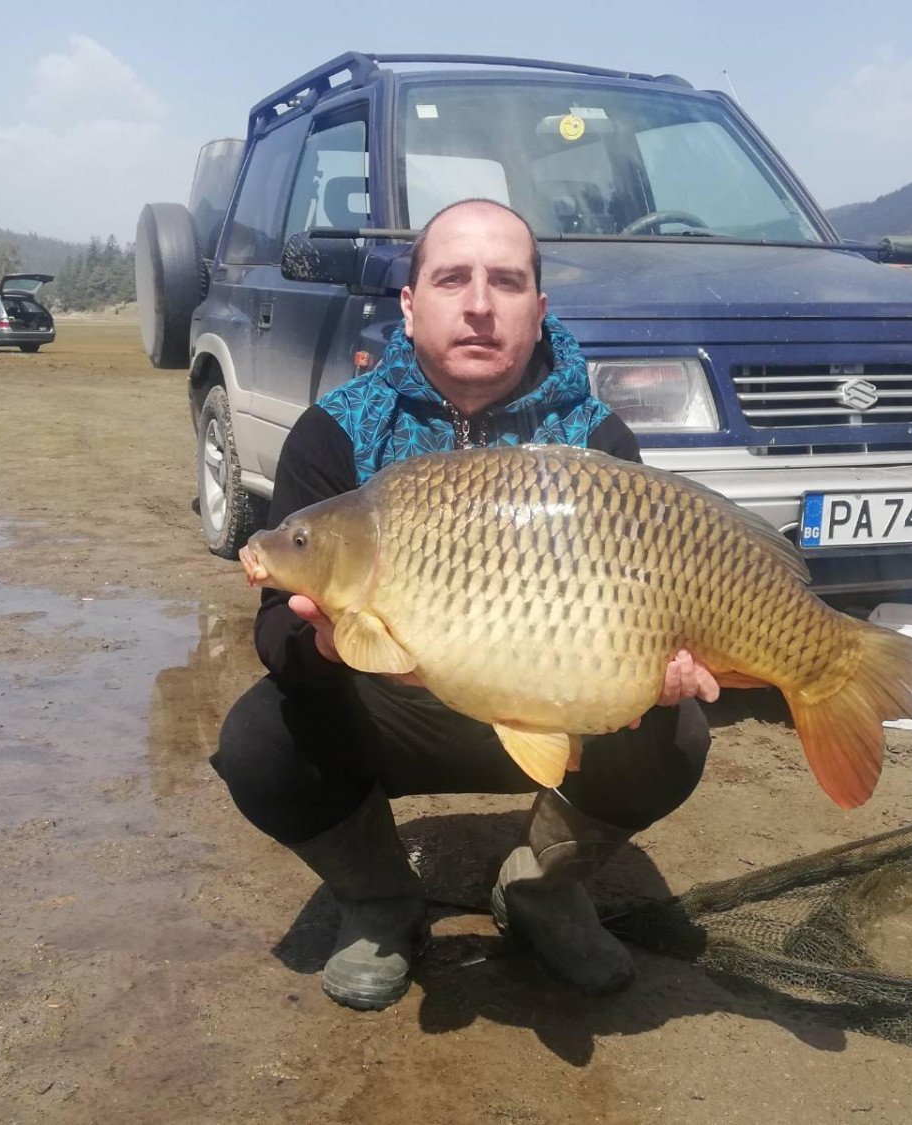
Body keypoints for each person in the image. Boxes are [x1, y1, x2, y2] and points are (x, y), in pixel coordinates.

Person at [211, 199, 719, 1010]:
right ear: (410, 306)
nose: (479, 303)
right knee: (260, 740)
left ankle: (542, 888)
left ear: (539, 308)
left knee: (677, 732)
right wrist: (330, 649)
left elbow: (654, 595)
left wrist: (660, 669)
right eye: (452, 278)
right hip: (392, 713)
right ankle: (381, 897)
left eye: (506, 281)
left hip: (554, 704)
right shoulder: (336, 435)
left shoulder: (598, 441)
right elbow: (276, 629)